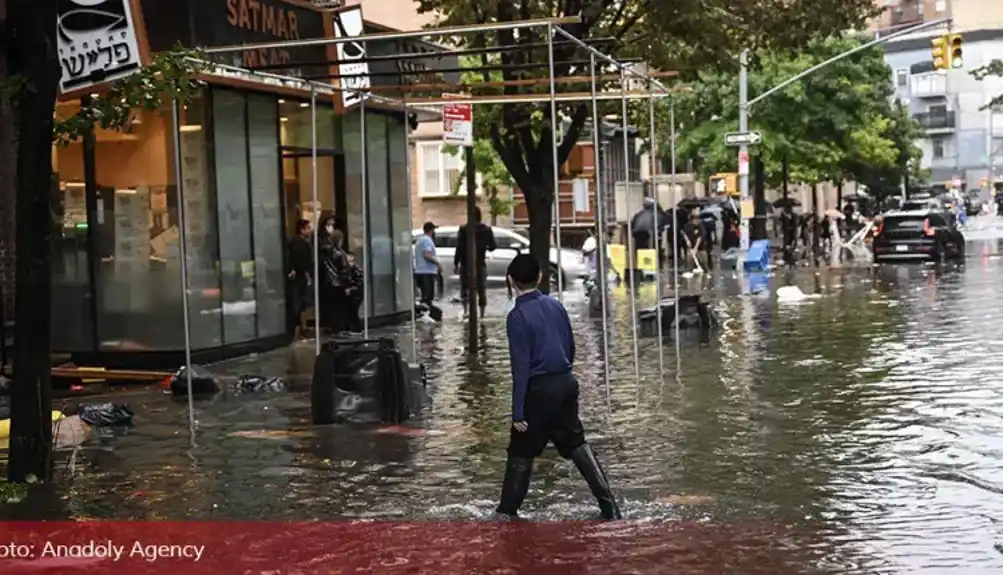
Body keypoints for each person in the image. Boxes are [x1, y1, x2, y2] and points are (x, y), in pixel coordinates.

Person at [497, 254, 621, 520]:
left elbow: (520, 367)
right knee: (576, 442)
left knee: (521, 450)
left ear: (510, 280)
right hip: (565, 383)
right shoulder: (555, 306)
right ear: (540, 277)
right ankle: (608, 504)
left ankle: (507, 513)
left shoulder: (517, 316)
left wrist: (518, 411)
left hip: (538, 390)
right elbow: (570, 347)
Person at [454, 207, 497, 317]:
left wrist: (456, 263)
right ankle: (482, 315)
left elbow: (459, 247)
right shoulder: (486, 229)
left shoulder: (464, 229)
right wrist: (483, 246)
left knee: (465, 288)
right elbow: (493, 246)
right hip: (480, 263)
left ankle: (465, 311)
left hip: (465, 264)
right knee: (481, 289)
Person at [317, 219, 353, 334]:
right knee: (340, 308)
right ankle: (339, 329)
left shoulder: (324, 251)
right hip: (339, 283)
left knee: (331, 308)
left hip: (327, 283)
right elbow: (344, 270)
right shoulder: (339, 253)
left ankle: (333, 328)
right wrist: (348, 284)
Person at [287, 219, 313, 339]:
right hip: (300, 276)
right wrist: (306, 274)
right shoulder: (299, 244)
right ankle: (300, 327)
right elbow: (301, 261)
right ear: (301, 230)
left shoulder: (301, 242)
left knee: (302, 303)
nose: (310, 230)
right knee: (300, 302)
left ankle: (302, 327)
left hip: (300, 275)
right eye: (308, 228)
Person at [414, 221, 442, 306]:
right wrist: (438, 263)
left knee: (425, 297)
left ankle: (425, 314)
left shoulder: (420, 239)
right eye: (433, 230)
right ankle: (426, 315)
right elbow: (426, 255)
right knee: (428, 297)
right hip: (427, 272)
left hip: (420, 271)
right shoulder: (427, 240)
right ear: (431, 230)